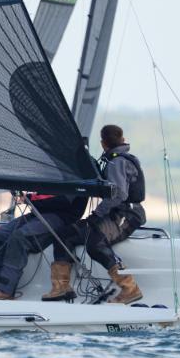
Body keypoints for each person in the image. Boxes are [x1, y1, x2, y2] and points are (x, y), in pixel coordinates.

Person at [43, 124, 147, 304]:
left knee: (95, 243)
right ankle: (61, 287)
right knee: (64, 236)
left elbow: (119, 194)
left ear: (103, 143)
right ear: (122, 139)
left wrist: (97, 214)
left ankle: (130, 288)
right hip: (113, 212)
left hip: (127, 213)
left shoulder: (117, 162)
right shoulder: (112, 160)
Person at [0, 192, 85, 300]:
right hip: (37, 214)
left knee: (19, 237)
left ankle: (5, 290)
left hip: (61, 217)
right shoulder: (53, 173)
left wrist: (30, 198)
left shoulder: (79, 175)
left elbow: (62, 201)